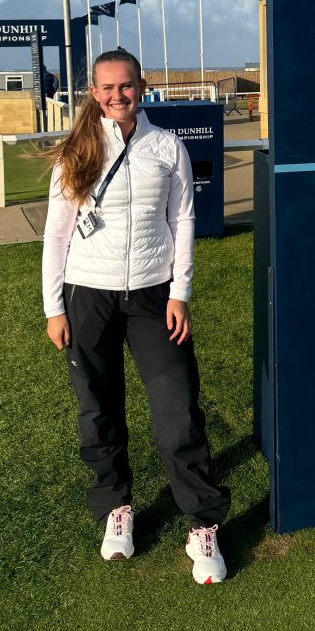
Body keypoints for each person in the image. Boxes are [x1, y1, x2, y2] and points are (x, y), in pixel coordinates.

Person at [41, 48, 230, 584]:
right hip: (88, 295)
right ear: (94, 93)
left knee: (178, 411)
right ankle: (115, 510)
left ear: (141, 87)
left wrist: (180, 293)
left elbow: (184, 221)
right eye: (107, 88)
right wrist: (54, 307)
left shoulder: (167, 147)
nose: (117, 95)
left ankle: (201, 526)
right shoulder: (75, 151)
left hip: (153, 296)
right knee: (98, 411)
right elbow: (56, 235)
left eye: (126, 86)